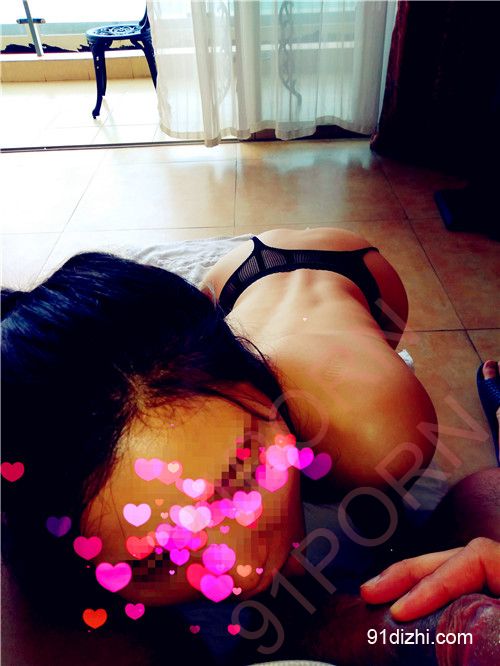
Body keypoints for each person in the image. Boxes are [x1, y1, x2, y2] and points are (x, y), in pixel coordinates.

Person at [1, 227, 498, 664]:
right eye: (159, 561)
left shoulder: (380, 431)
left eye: (244, 477)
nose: (244, 574)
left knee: (373, 477)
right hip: (235, 297)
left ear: (255, 383)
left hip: (338, 266)